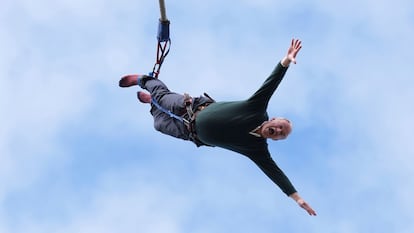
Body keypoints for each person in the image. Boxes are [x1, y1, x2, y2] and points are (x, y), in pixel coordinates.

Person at [119, 39, 316, 216]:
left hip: (190, 133)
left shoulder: (257, 150)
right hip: (191, 107)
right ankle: (143, 80)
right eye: (280, 127)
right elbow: (271, 83)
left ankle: (151, 103)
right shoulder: (256, 109)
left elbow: (276, 173)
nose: (279, 131)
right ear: (272, 120)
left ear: (274, 139)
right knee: (162, 96)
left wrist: (297, 198)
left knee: (158, 124)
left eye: (280, 135)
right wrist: (286, 60)